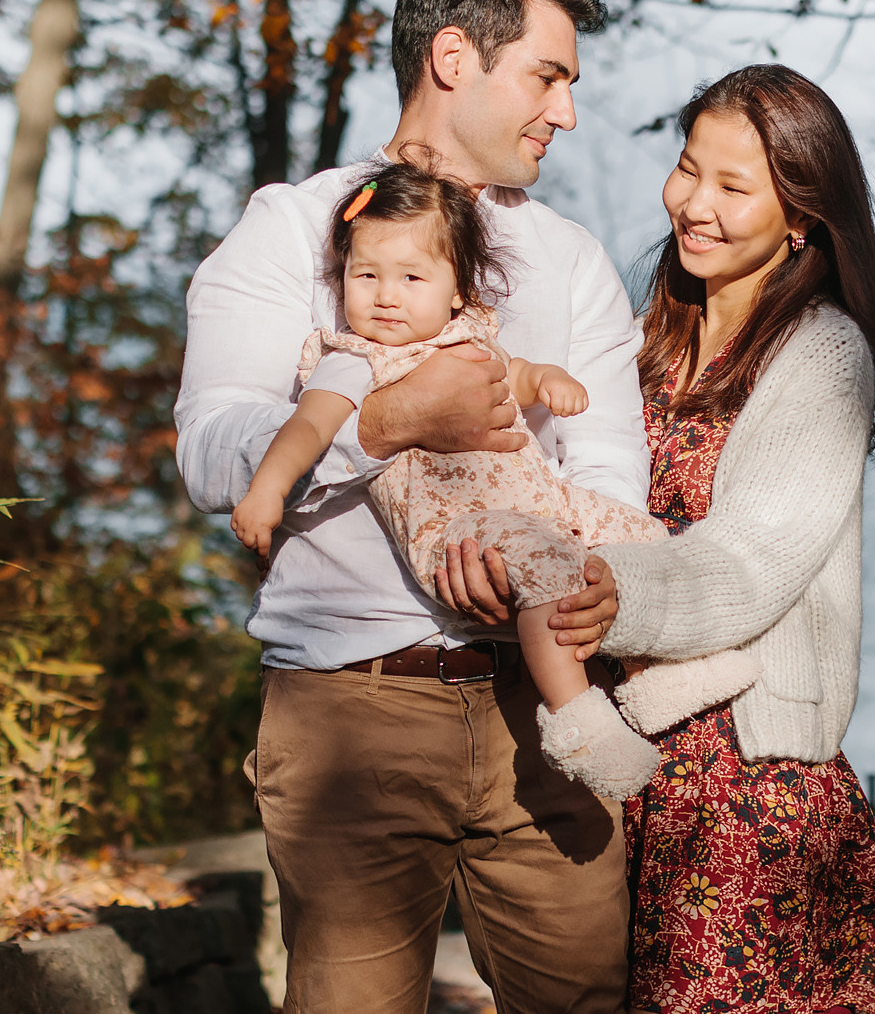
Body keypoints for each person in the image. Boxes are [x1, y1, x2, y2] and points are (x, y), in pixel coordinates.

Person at [174, 0, 644, 1014]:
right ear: (455, 59)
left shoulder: (574, 264)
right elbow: (215, 448)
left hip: (545, 718)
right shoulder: (295, 230)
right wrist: (385, 419)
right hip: (351, 718)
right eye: (548, 75)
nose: (565, 108)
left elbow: (608, 474)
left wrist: (602, 593)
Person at [532, 64, 875, 1014]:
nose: (693, 202)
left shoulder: (822, 354)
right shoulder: (655, 330)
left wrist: (604, 594)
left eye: (734, 185)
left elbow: (751, 562)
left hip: (752, 786)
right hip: (647, 772)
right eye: (689, 167)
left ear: (802, 212)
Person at [231, 159, 762, 797]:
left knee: (635, 532)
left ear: (457, 289)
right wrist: (266, 493)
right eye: (364, 275)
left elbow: (518, 374)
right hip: (457, 530)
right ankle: (579, 721)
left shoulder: (470, 336)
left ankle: (658, 677)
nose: (385, 295)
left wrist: (547, 382)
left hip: (540, 500)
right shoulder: (355, 360)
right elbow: (307, 431)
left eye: (411, 277)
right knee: (545, 564)